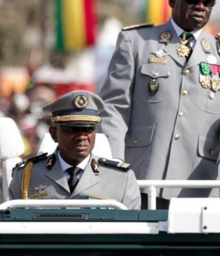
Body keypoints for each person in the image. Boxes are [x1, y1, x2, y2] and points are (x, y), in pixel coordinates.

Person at [99, 0, 220, 206]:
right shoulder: (137, 42)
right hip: (141, 177)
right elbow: (114, 108)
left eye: (208, 1)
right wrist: (115, 165)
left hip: (200, 182)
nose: (201, 6)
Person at [8, 90, 141, 210]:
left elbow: (133, 233)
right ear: (54, 134)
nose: (82, 136)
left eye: (88, 129)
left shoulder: (121, 179)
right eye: (71, 129)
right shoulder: (27, 176)